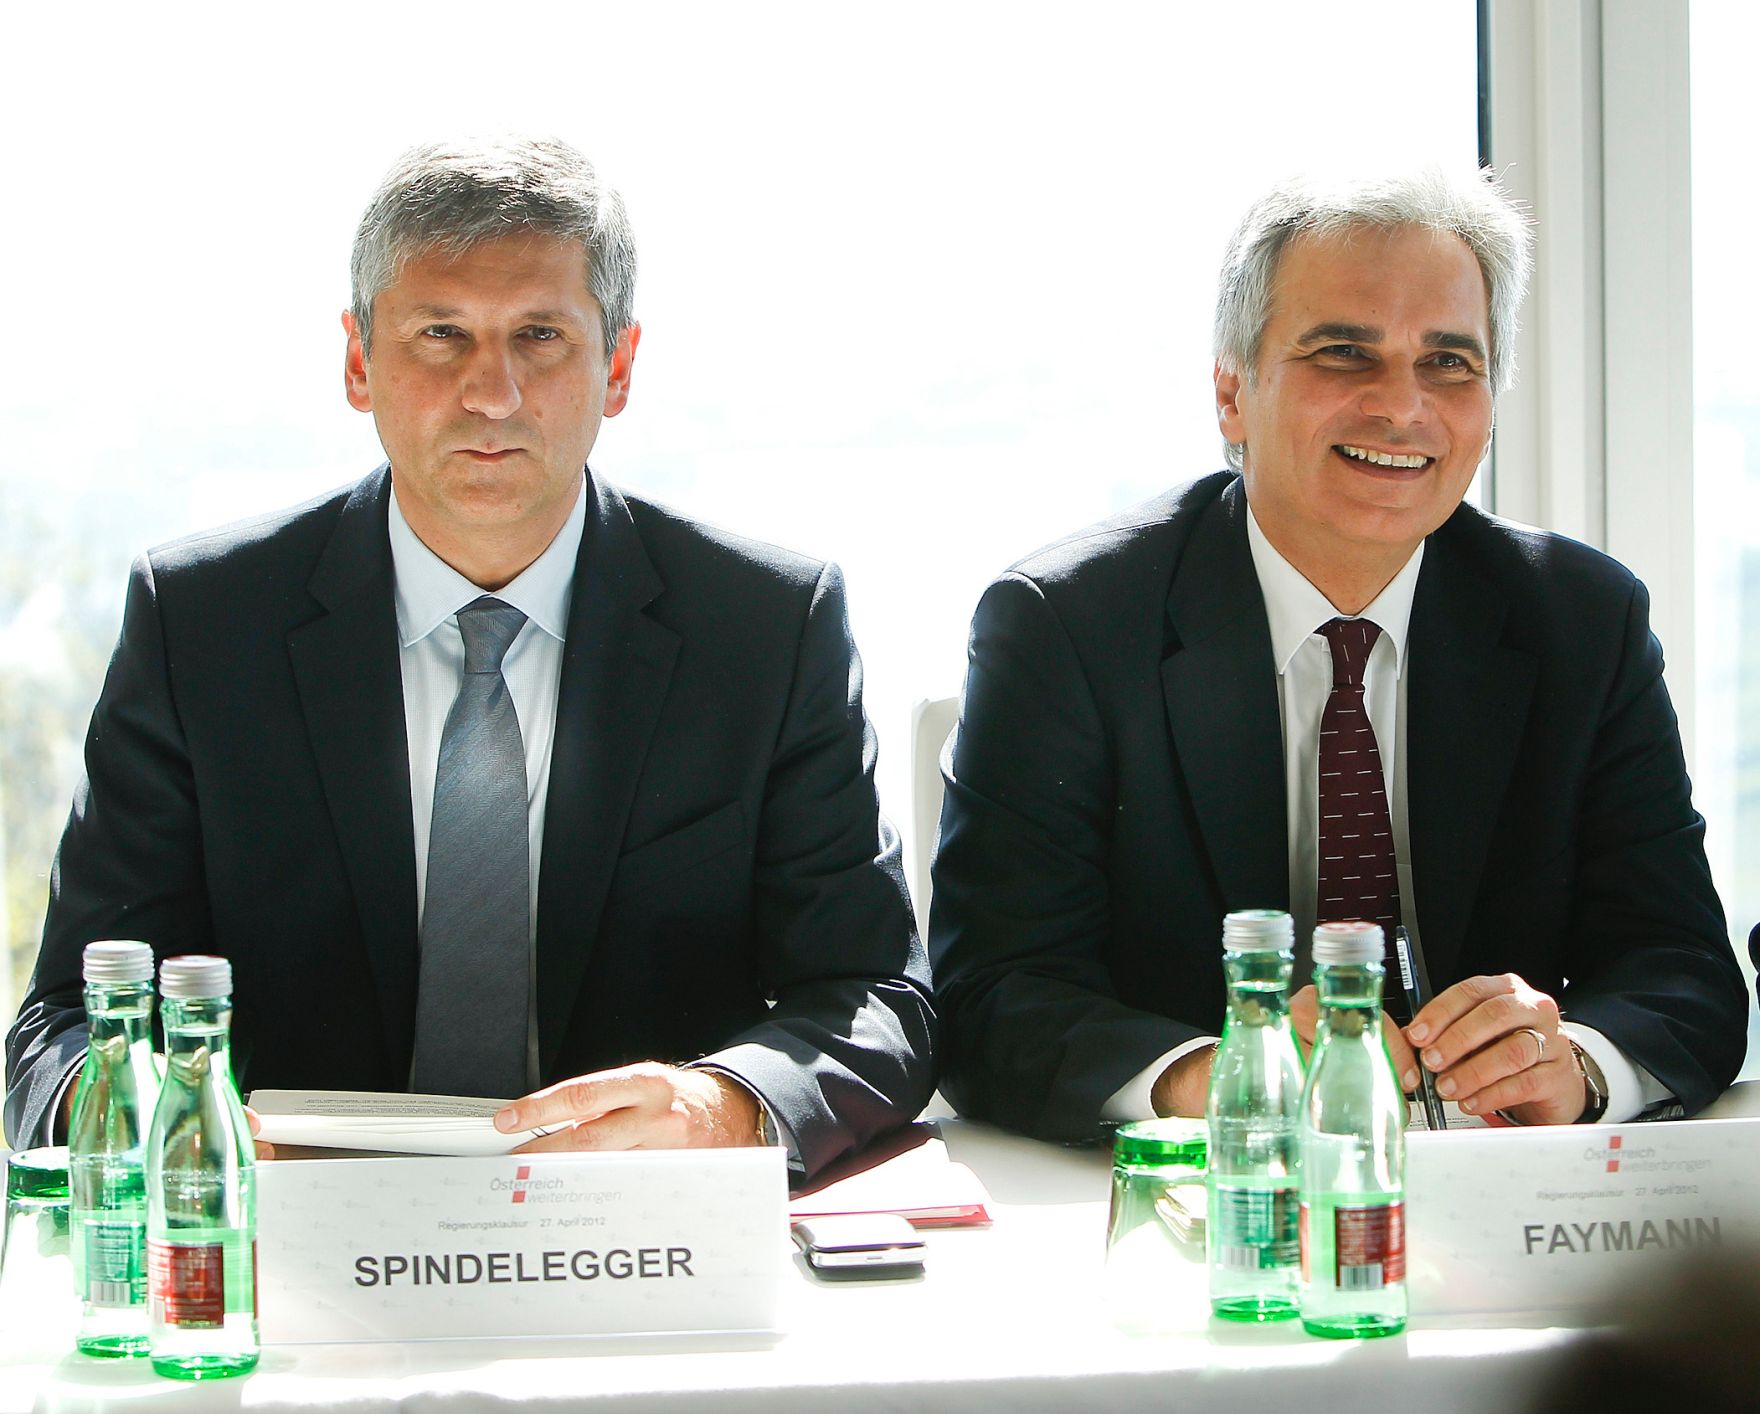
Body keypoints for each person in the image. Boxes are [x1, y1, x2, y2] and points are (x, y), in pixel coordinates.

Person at [5, 137, 934, 1182]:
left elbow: (875, 997)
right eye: (440, 335)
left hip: (637, 1239)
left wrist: (722, 1104)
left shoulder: (765, 625)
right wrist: (161, 1127)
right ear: (359, 363)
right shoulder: (203, 624)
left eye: (539, 335)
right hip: (296, 1239)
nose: (491, 392)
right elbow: (65, 1023)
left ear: (616, 366)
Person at [929, 168, 1746, 1143]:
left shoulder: (1579, 619)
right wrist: (1227, 1072)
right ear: (1231, 394)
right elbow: (992, 996)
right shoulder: (1065, 625)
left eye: (1448, 361)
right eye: (1342, 353)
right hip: (1207, 1201)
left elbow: (1683, 968)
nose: (1399, 406)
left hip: (1491, 1190)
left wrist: (1572, 1061)